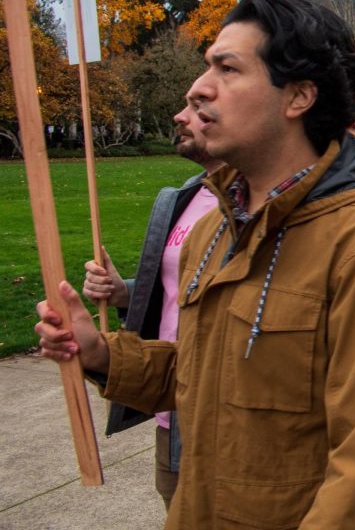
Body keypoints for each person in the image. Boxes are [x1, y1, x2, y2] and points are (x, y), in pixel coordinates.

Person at [35, 0, 355, 529]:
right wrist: (103, 355)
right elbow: (200, 376)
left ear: (298, 96)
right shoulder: (210, 233)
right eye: (206, 66)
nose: (198, 88)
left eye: (227, 68)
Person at [80, 102, 221, 510]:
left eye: (197, 107)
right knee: (176, 506)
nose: (178, 116)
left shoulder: (262, 207)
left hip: (228, 414)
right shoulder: (179, 198)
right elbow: (169, 288)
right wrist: (122, 291)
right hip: (172, 409)